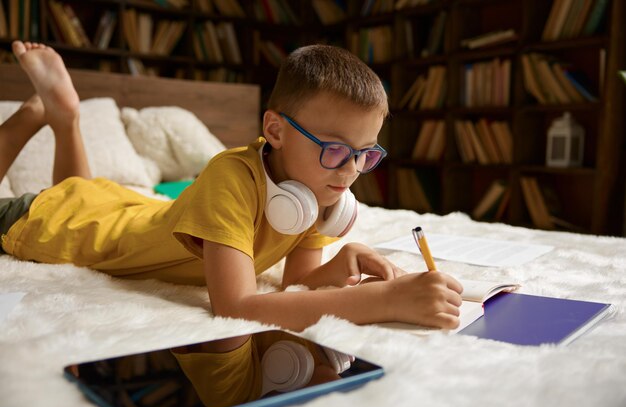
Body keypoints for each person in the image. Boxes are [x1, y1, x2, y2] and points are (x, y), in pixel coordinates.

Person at [0, 40, 463, 334]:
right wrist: (380, 300)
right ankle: (27, 120)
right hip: (55, 223)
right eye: (336, 149)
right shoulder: (230, 177)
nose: (349, 172)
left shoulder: (316, 191)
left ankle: (66, 120)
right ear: (275, 131)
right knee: (65, 204)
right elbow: (235, 307)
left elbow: (296, 286)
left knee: (81, 190)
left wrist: (338, 266)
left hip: (119, 205)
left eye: (365, 154)